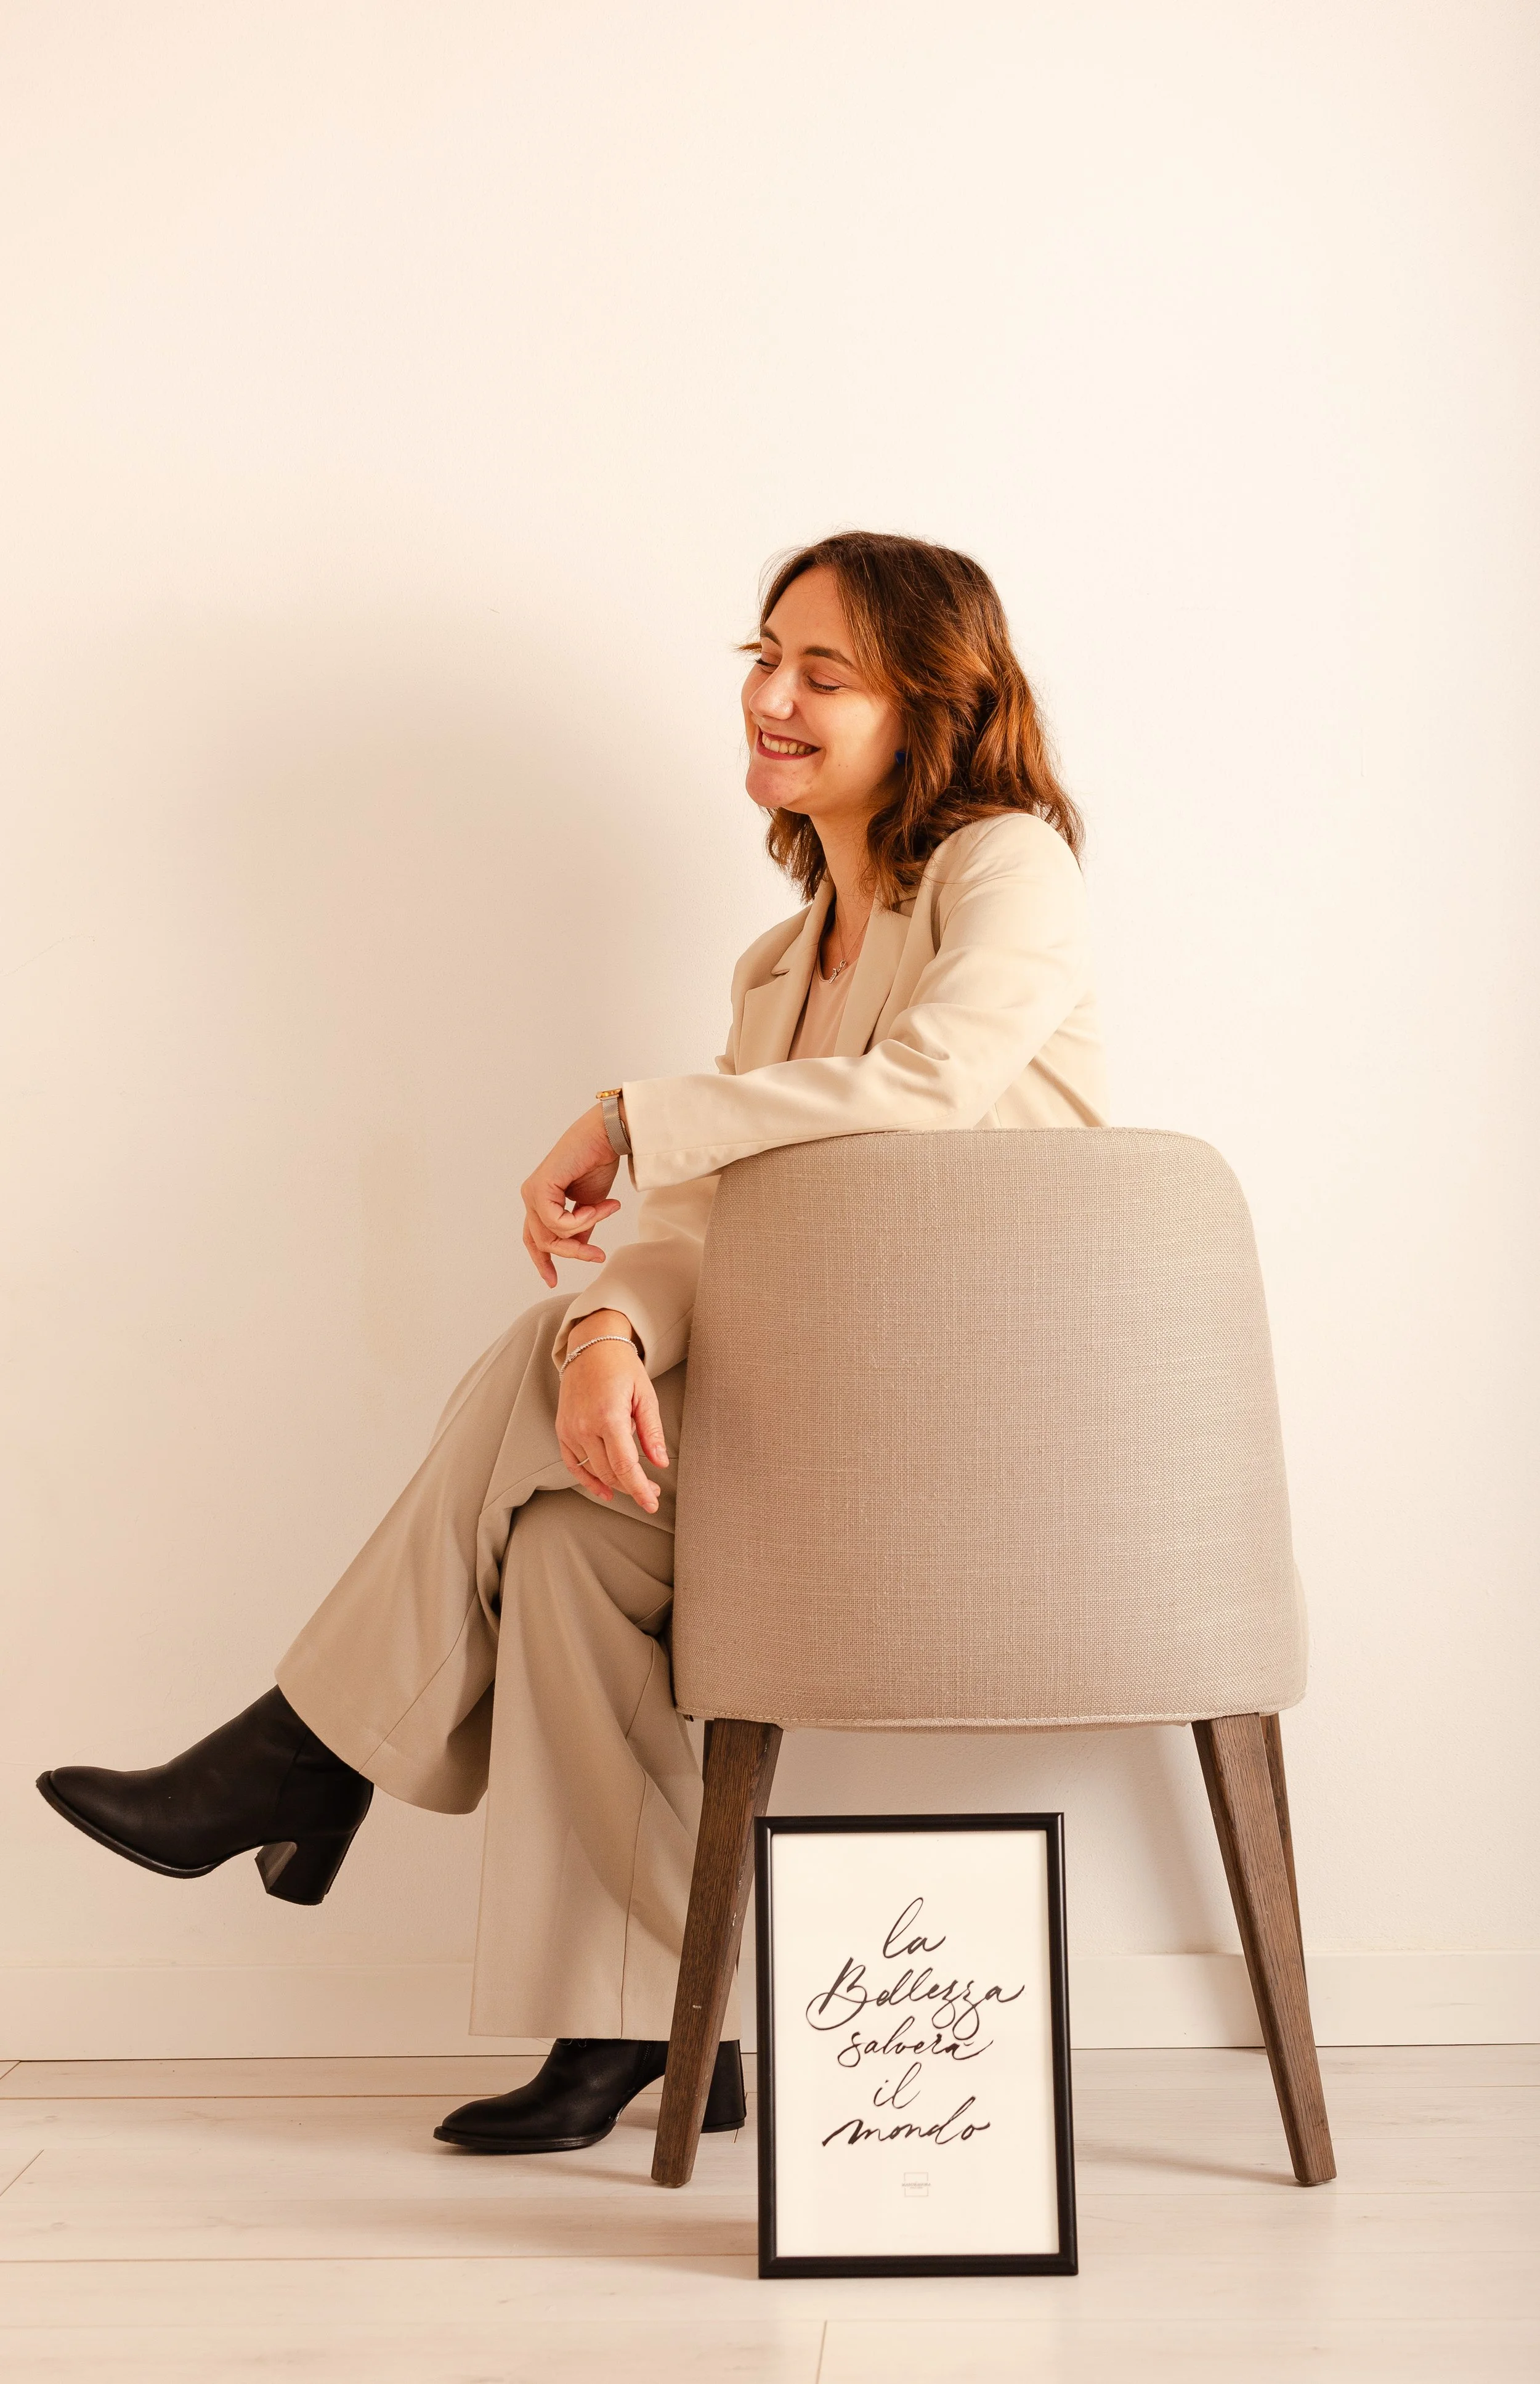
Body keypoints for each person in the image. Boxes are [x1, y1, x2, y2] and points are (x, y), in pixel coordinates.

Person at [36, 531, 1109, 2155]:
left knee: (556, 1380)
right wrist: (609, 1323)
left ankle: (304, 1749)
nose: (771, 696)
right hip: (818, 1409)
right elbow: (719, 1226)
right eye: (762, 657)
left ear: (931, 704)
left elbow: (927, 1095)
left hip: (983, 1431)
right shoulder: (775, 963)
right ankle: (646, 2029)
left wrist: (627, 1119)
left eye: (824, 673)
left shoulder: (1002, 864)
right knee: (565, 1537)